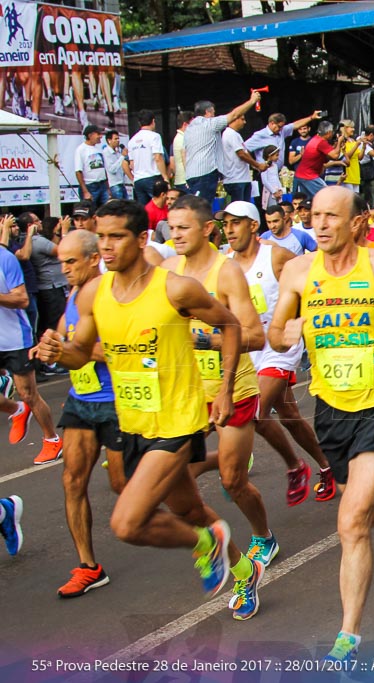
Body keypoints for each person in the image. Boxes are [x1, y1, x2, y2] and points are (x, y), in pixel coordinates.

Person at [34, 199, 263, 620]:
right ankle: (246, 569)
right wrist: (55, 351)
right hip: (134, 422)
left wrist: (227, 389)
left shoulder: (174, 288)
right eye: (101, 237)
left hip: (178, 422)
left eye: (116, 236)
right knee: (189, 510)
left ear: (141, 239)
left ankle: (206, 544)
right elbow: (80, 354)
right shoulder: (94, 293)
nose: (106, 246)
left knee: (127, 523)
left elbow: (232, 326)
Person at [268, 186, 374, 663]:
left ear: (356, 222)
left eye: (331, 217)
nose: (319, 225)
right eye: (314, 216)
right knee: (359, 510)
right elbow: (277, 333)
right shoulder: (299, 271)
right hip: (331, 408)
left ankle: (348, 635)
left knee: (350, 523)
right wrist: (291, 329)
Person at [163, 196, 278, 572]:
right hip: (186, 392)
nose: (175, 234)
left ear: (206, 229)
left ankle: (263, 536)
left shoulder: (225, 272)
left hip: (233, 387)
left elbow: (255, 338)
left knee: (233, 480)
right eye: (171, 227)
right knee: (171, 480)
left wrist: (208, 341)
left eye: (183, 227)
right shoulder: (167, 270)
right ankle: (212, 539)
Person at [222, 200, 336, 506]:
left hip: (279, 345)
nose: (229, 230)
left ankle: (295, 467)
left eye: (236, 223)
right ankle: (327, 466)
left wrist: (306, 319)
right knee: (289, 415)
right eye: (226, 224)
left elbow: (313, 278)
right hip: (248, 349)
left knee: (255, 413)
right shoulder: (225, 264)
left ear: (253, 225)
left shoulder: (275, 256)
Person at [38, 230, 123, 597]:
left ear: (93, 258)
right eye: (61, 262)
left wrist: (74, 349)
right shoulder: (74, 294)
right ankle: (89, 566)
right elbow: (65, 335)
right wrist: (50, 345)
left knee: (123, 485)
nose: (65, 269)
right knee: (73, 481)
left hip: (117, 402)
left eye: (71, 262)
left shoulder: (112, 292)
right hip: (82, 400)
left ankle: (198, 514)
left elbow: (118, 351)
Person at [0, 234, 62, 465]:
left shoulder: (5, 259)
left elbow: (22, 299)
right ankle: (17, 409)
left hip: (14, 337)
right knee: (22, 400)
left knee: (29, 394)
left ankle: (52, 440)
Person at [184, 93, 261, 201]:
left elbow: (185, 152)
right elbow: (234, 115)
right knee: (202, 208)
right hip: (205, 174)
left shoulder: (189, 128)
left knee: (195, 205)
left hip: (191, 174)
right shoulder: (209, 124)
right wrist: (252, 101)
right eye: (214, 113)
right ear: (208, 112)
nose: (214, 115)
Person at [126, 110, 168, 206]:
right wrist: (165, 177)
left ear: (139, 123)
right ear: (153, 121)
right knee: (160, 206)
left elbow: (131, 164)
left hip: (138, 180)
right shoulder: (154, 136)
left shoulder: (132, 141)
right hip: (153, 177)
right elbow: (158, 157)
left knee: (145, 210)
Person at [74, 125, 109, 208]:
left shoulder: (98, 149)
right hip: (90, 186)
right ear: (90, 135)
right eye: (98, 134)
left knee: (105, 210)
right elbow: (78, 171)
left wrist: (107, 187)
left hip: (102, 184)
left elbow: (103, 169)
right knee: (90, 211)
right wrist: (85, 191)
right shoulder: (81, 149)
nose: (100, 136)